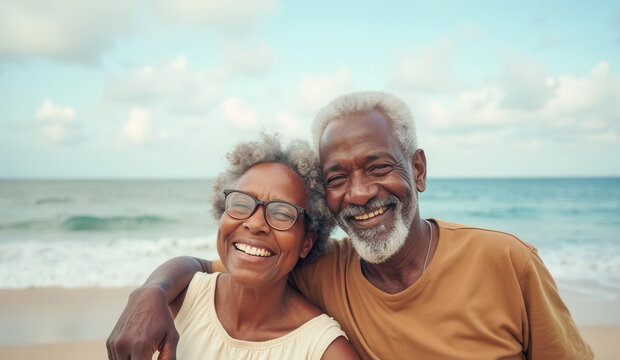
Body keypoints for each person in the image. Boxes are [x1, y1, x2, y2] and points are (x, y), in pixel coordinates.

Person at [108, 91, 594, 359]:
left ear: (418, 170)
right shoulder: (323, 267)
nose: (359, 193)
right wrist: (148, 292)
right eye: (338, 176)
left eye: (379, 166)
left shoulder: (505, 261)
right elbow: (212, 266)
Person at [108, 135, 359, 360]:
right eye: (241, 203)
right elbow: (195, 266)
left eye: (282, 212)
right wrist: (152, 290)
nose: (255, 223)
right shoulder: (179, 298)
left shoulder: (322, 349)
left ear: (307, 243)